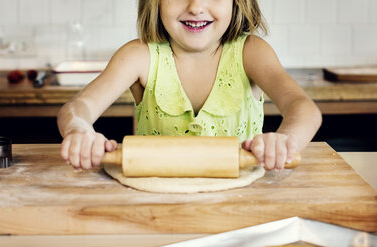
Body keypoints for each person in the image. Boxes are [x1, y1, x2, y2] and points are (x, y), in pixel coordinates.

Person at [57, 0, 322, 172]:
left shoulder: (251, 52)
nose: (196, 6)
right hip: (154, 203)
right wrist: (78, 129)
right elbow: (79, 107)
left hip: (241, 200)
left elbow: (303, 108)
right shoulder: (139, 55)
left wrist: (286, 140)